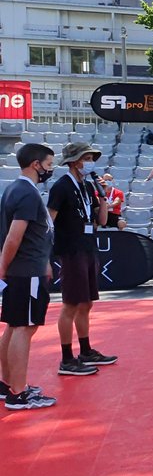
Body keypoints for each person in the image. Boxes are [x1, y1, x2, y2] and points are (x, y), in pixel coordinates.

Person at [0, 144, 58, 410]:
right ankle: (18, 393)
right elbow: (14, 236)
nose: (51, 169)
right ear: (36, 164)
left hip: (25, 269)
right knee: (24, 328)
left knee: (14, 326)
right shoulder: (26, 192)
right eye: (49, 164)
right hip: (26, 272)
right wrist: (3, 267)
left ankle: (8, 384)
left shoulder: (14, 189)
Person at [48, 142, 113, 376]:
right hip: (71, 250)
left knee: (86, 303)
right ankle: (66, 358)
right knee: (71, 304)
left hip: (88, 248)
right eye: (87, 158)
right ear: (74, 162)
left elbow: (101, 221)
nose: (90, 162)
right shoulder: (61, 187)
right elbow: (49, 221)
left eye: (91, 158)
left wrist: (103, 196)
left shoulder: (87, 186)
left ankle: (85, 351)